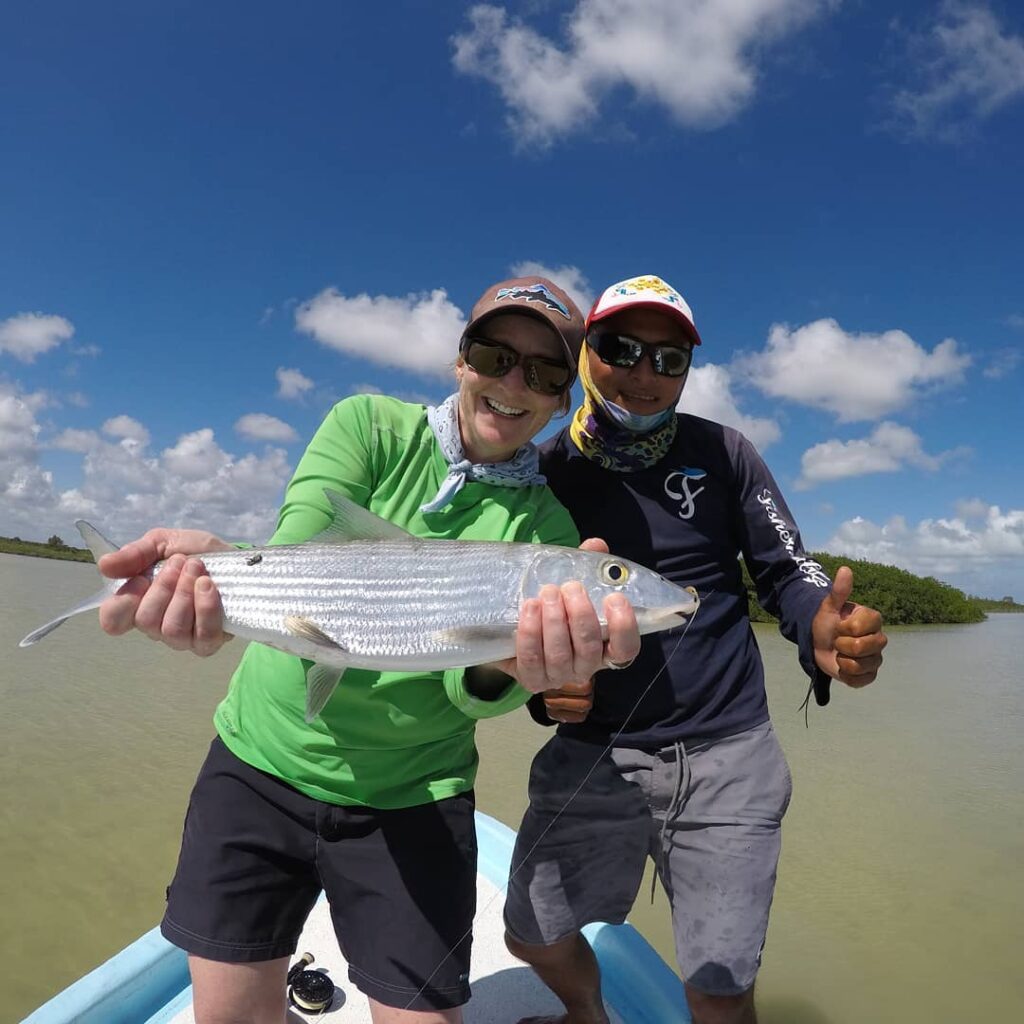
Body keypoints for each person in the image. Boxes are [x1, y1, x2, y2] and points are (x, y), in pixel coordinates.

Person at [96, 275, 641, 1024]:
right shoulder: (368, 424)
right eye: (494, 355)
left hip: (413, 795)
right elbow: (302, 550)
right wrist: (223, 573)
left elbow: (467, 688)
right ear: (461, 362)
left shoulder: (547, 528)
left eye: (545, 373)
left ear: (561, 402)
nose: (514, 383)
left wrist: (510, 669)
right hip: (260, 763)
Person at [502, 274, 888, 1024]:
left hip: (727, 757)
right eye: (622, 349)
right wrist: (546, 695)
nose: (646, 375)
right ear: (586, 355)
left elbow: (787, 570)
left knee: (718, 988)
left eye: (670, 360)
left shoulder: (726, 452)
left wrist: (820, 629)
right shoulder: (543, 474)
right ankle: (587, 1016)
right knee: (532, 936)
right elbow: (521, 627)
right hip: (593, 755)